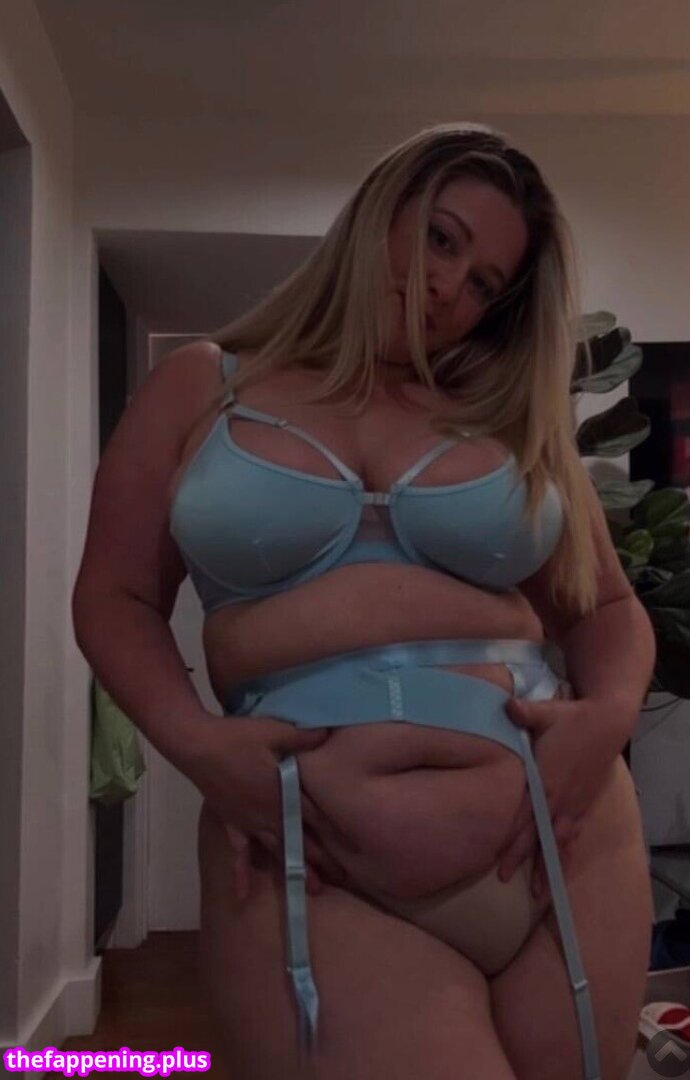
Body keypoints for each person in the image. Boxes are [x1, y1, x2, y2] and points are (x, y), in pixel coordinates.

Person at [72, 122, 655, 1079]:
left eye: (485, 284)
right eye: (441, 239)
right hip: (314, 849)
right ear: (381, 212)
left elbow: (606, 610)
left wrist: (608, 719)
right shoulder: (205, 385)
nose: (449, 288)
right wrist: (197, 742)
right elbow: (116, 595)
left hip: (562, 836)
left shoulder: (509, 414)